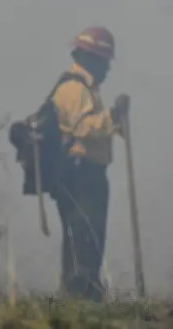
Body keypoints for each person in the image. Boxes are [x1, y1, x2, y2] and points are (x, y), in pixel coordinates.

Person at [51, 26, 129, 302]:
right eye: (105, 62)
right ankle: (80, 292)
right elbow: (84, 127)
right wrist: (112, 116)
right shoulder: (74, 89)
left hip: (89, 171)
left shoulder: (86, 89)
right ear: (91, 59)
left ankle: (85, 290)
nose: (107, 69)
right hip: (80, 172)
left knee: (90, 233)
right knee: (84, 233)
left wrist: (115, 120)